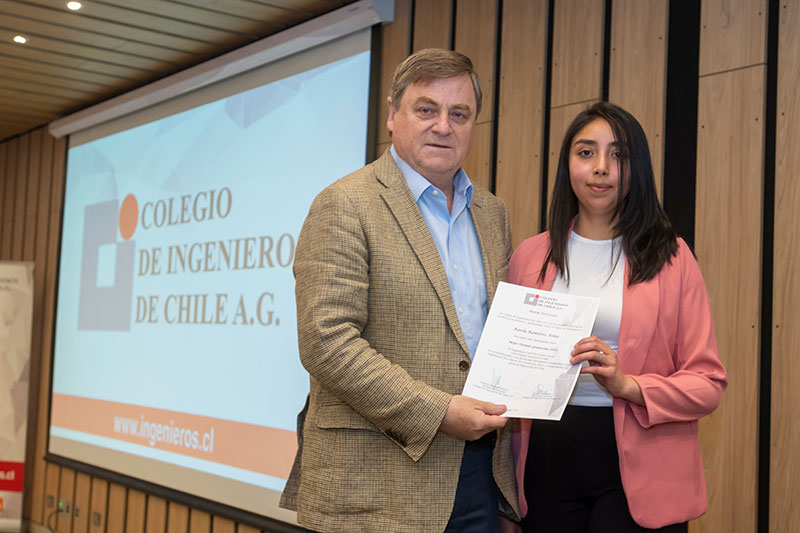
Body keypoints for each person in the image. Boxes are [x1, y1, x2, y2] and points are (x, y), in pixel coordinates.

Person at [279, 48, 520, 532]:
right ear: (393, 114)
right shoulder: (345, 203)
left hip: (478, 477)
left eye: (459, 114)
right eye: (426, 109)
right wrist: (439, 412)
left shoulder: (492, 214)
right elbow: (327, 343)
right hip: (374, 485)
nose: (443, 126)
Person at [508, 102, 727, 532]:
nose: (601, 168)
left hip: (644, 464)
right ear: (567, 164)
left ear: (636, 168)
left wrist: (629, 385)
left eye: (618, 155)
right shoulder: (529, 257)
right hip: (546, 460)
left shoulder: (672, 258)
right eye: (586, 152)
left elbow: (708, 383)